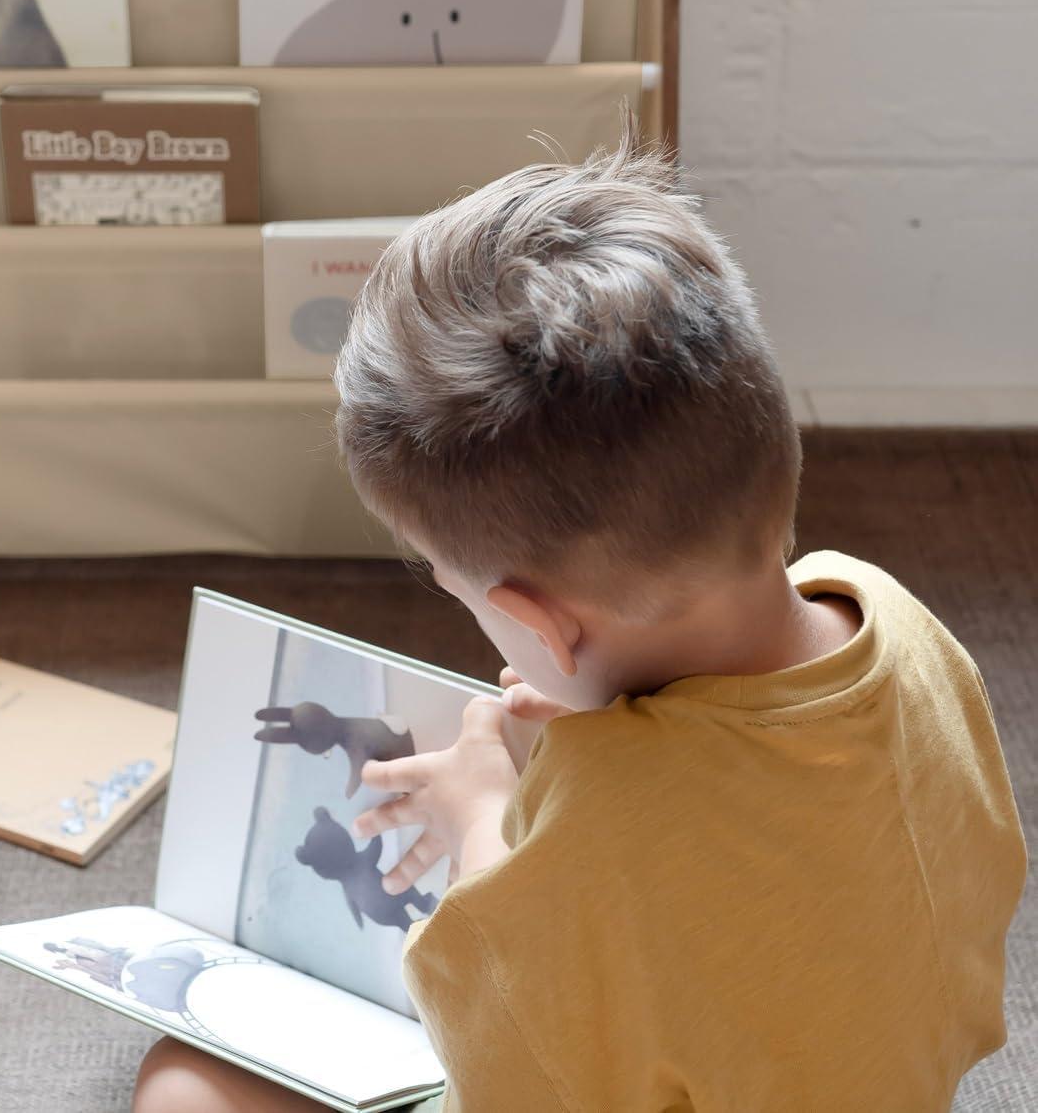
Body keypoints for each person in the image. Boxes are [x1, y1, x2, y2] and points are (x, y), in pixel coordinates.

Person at [133, 115, 1026, 1112]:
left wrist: (481, 818)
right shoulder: (886, 613)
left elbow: (509, 1060)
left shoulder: (608, 835)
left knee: (186, 1079)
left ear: (544, 627)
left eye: (451, 584)